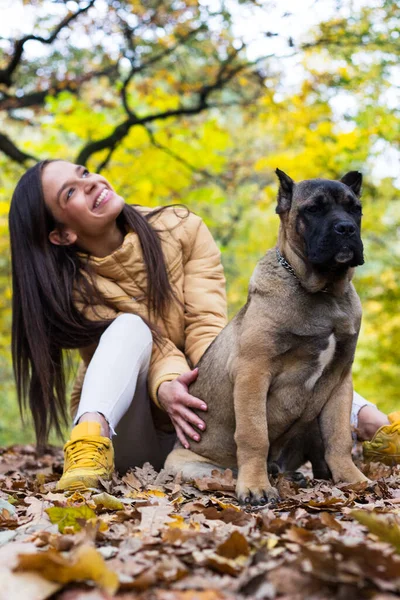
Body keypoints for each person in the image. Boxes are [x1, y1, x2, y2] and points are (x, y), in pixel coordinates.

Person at [8, 160, 399, 492]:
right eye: (71, 192)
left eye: (86, 172)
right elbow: (155, 346)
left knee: (262, 346)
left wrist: (201, 384)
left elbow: (207, 324)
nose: (91, 182)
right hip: (135, 432)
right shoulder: (70, 286)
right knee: (129, 328)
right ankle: (88, 446)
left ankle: (372, 423)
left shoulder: (181, 226)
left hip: (209, 419)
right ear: (61, 234)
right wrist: (167, 388)